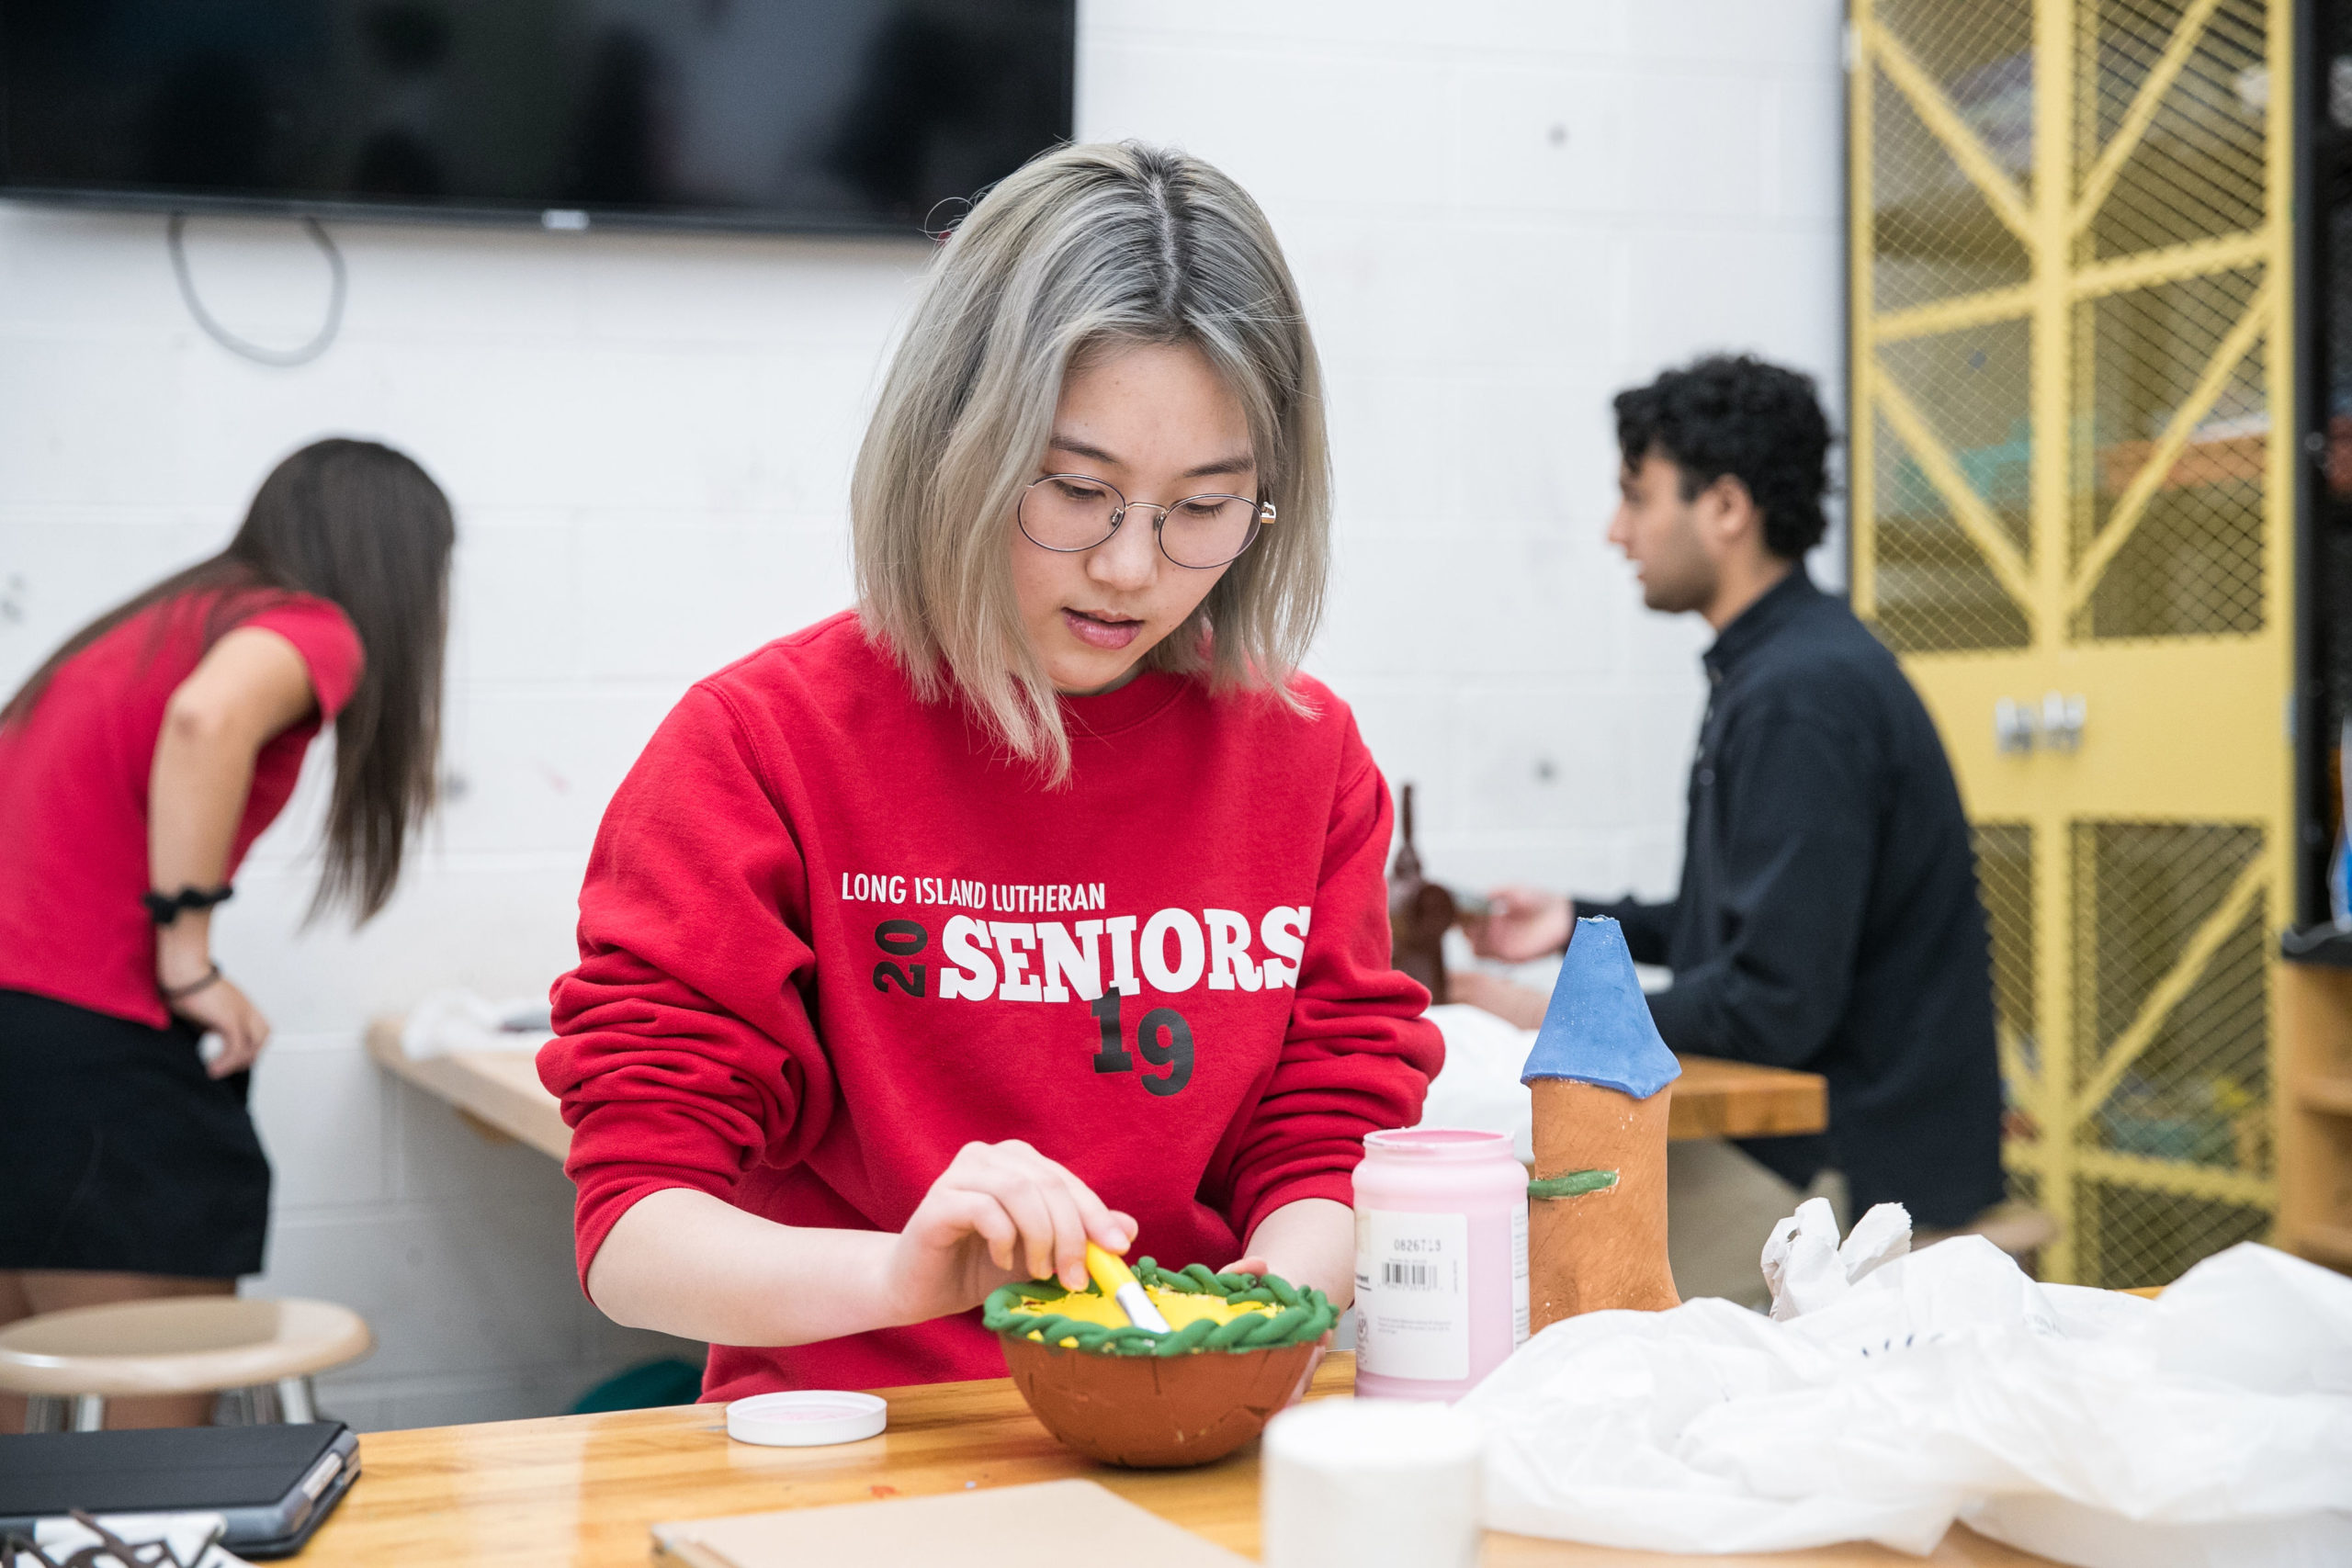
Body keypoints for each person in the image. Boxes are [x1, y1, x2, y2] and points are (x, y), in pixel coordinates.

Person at [541, 141, 1442, 1400]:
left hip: (1191, 1425)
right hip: (862, 1437)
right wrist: (899, 1275)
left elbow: (1323, 1143)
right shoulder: (760, 745)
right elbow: (635, 1227)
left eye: (1205, 506)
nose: (1133, 567)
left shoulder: (1307, 756)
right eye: (1076, 491)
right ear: (953, 447)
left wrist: (1241, 1325)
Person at [1466, 354, 2005, 1250]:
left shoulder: (1802, 695)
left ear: (1723, 508)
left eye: (1637, 497)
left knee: (1547, 1255)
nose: (1615, 531)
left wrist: (1535, 1013)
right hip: (1823, 1148)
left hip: (1855, 1179)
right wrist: (1575, 924)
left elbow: (1772, 1004)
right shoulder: (1783, 668)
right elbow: (1763, 924)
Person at [0, 438, 455, 1427]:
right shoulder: (308, 625)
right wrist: (185, 953)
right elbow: (208, 721)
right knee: (158, 1443)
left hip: (24, 1028)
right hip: (78, 1041)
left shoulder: (158, 623)